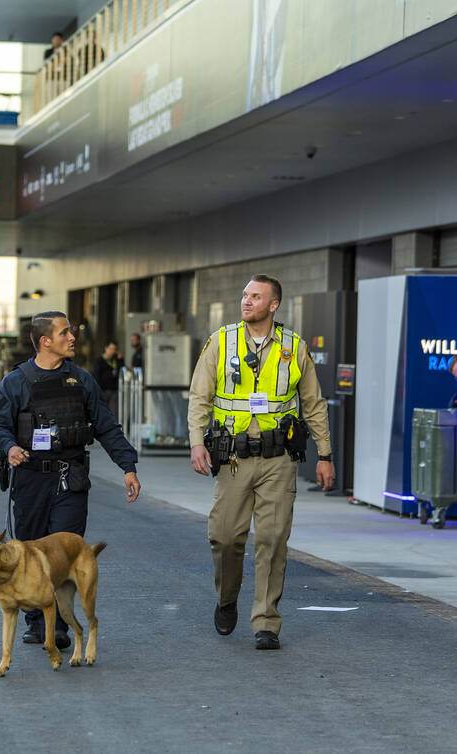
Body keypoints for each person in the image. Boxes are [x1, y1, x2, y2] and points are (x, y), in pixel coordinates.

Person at [186, 275, 334, 650]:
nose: (246, 301)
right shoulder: (221, 341)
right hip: (233, 457)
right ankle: (226, 597)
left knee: (272, 539)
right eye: (244, 295)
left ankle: (266, 620)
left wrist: (325, 454)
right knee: (224, 536)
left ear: (273, 305)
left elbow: (314, 404)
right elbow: (199, 397)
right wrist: (195, 444)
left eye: (255, 296)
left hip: (278, 458)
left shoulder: (294, 346)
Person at [0, 311, 141, 648]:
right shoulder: (16, 382)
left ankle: (56, 625)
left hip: (70, 479)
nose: (73, 337)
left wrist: (127, 466)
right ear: (45, 341)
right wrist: (9, 446)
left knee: (61, 552)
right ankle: (35, 620)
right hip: (30, 481)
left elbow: (106, 426)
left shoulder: (82, 380)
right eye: (65, 333)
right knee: (28, 550)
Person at [91, 341, 124, 416]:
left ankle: (111, 427)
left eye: (114, 349)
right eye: (111, 348)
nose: (112, 351)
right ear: (106, 348)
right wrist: (98, 390)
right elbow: (96, 376)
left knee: (113, 411)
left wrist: (121, 360)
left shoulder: (116, 360)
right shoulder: (99, 361)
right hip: (103, 390)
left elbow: (121, 371)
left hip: (114, 390)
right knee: (103, 411)